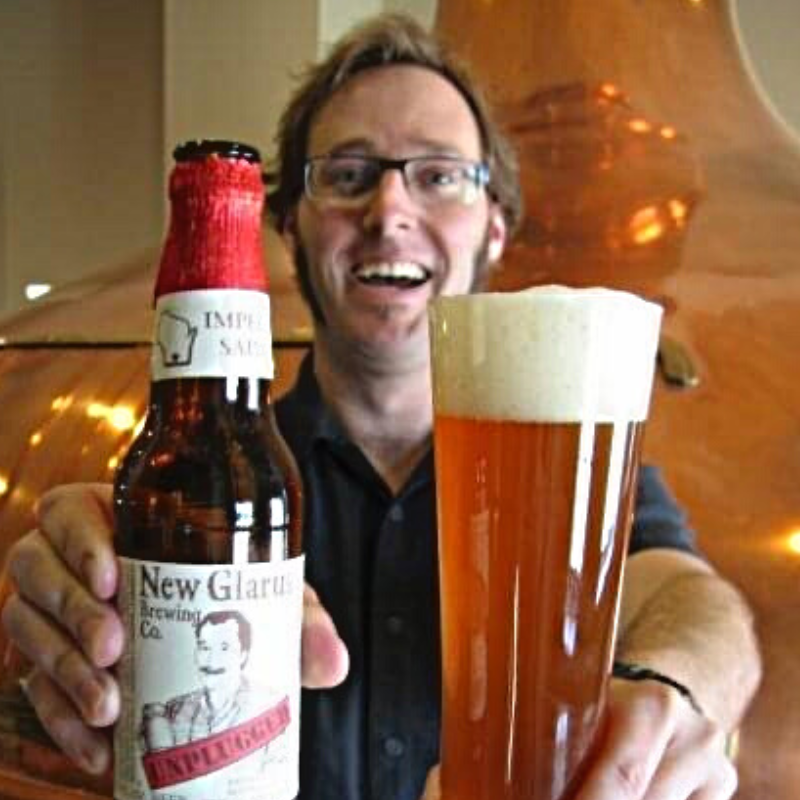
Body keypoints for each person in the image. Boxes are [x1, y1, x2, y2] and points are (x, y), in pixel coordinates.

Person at [2, 12, 760, 800]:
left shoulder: (564, 470)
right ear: (286, 224)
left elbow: (691, 599)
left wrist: (676, 692)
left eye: (438, 175)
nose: (390, 211)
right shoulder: (213, 484)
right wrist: (80, 642)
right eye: (347, 174)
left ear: (495, 227)